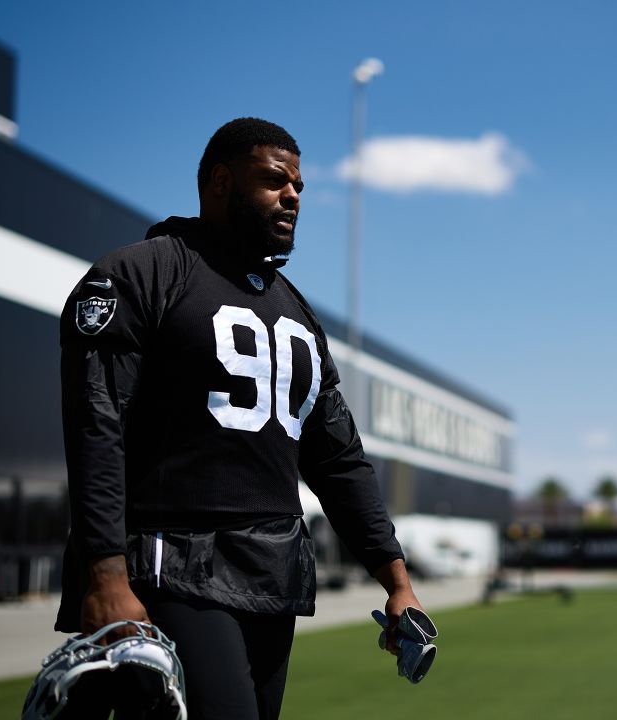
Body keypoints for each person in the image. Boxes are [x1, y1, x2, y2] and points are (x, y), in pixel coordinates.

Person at [54, 117, 423, 719]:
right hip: (171, 563)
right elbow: (97, 426)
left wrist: (396, 581)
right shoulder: (141, 273)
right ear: (221, 181)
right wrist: (104, 575)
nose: (294, 197)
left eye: (299, 185)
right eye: (275, 181)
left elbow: (336, 458)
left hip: (274, 575)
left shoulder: (296, 310)